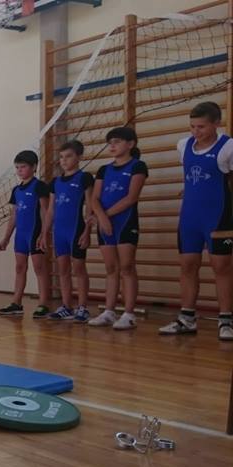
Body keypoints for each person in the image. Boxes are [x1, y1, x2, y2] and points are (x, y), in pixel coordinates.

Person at [159, 102, 233, 340]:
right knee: (187, 266)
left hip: (218, 216)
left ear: (216, 123)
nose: (195, 131)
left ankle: (226, 320)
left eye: (201, 127)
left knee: (222, 267)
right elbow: (194, 176)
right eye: (192, 126)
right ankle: (187, 319)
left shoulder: (228, 147)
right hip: (190, 217)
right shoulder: (183, 145)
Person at [89, 126, 148, 330]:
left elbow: (131, 197)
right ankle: (109, 311)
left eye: (117, 142)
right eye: (110, 143)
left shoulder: (138, 166)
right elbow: (94, 198)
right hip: (105, 224)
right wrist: (101, 217)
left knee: (127, 267)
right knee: (111, 268)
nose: (112, 146)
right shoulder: (104, 170)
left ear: (130, 144)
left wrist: (105, 216)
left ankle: (129, 314)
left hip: (125, 222)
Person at [39, 140, 94, 323]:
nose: (64, 160)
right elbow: (51, 210)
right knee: (62, 269)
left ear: (79, 157)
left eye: (68, 156)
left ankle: (83, 307)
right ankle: (66, 306)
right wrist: (44, 233)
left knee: (79, 268)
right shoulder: (55, 182)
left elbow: (90, 207)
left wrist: (87, 231)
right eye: (61, 157)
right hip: (59, 232)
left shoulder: (84, 178)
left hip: (76, 229)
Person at [0, 151, 51, 318]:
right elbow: (14, 215)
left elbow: (45, 211)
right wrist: (6, 237)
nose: (20, 170)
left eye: (23, 167)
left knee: (39, 268)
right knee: (20, 267)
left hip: (35, 233)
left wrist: (44, 234)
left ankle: (43, 304)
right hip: (21, 235)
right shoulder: (16, 190)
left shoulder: (39, 186)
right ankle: (16, 303)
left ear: (34, 167)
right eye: (17, 167)